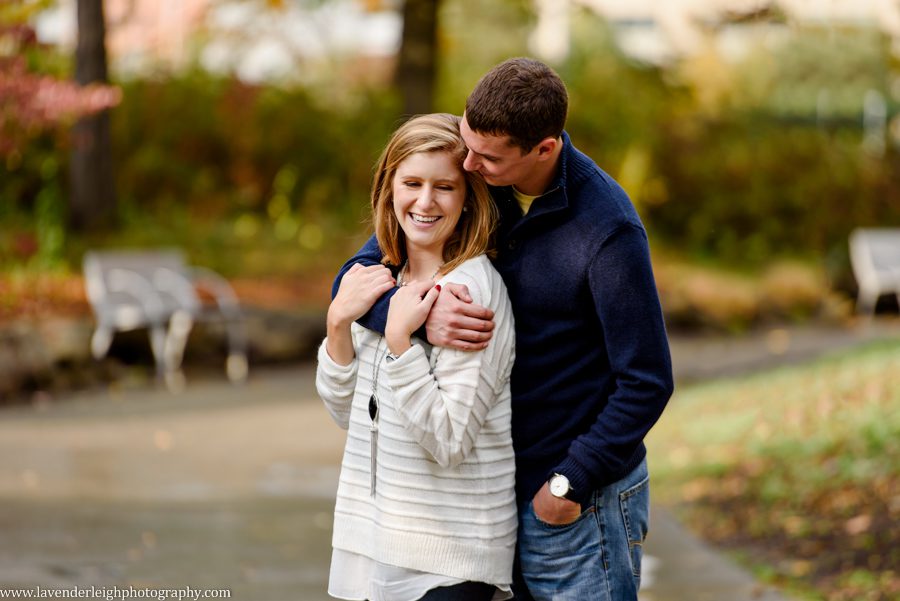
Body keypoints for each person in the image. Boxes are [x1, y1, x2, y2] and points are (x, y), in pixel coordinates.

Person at [335, 58, 674, 601]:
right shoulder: (480, 174)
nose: (468, 163)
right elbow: (351, 281)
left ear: (544, 149)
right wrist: (418, 318)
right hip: (491, 492)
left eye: (486, 156)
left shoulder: (608, 231)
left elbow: (647, 381)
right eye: (467, 143)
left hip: (571, 499)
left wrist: (570, 482)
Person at [316, 112, 518, 601]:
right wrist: (338, 324)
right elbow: (351, 415)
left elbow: (449, 439)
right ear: (389, 189)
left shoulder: (470, 291)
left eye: (444, 187)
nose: (425, 201)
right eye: (411, 183)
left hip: (446, 554)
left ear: (468, 198)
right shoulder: (383, 280)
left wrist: (402, 343)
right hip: (375, 541)